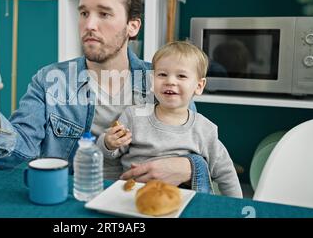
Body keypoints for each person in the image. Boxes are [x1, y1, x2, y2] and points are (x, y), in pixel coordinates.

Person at [0, 0, 211, 192]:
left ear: (132, 26)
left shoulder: (163, 83)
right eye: (84, 12)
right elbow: (16, 153)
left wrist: (189, 166)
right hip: (70, 201)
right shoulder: (49, 80)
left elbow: (201, 151)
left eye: (104, 14)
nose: (89, 25)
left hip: (140, 202)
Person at [98, 41, 242, 197]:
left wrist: (236, 206)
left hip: (183, 201)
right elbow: (108, 152)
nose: (170, 81)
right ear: (152, 81)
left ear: (199, 86)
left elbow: (226, 173)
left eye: (181, 76)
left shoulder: (205, 129)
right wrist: (108, 143)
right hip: (133, 196)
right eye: (162, 74)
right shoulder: (133, 116)